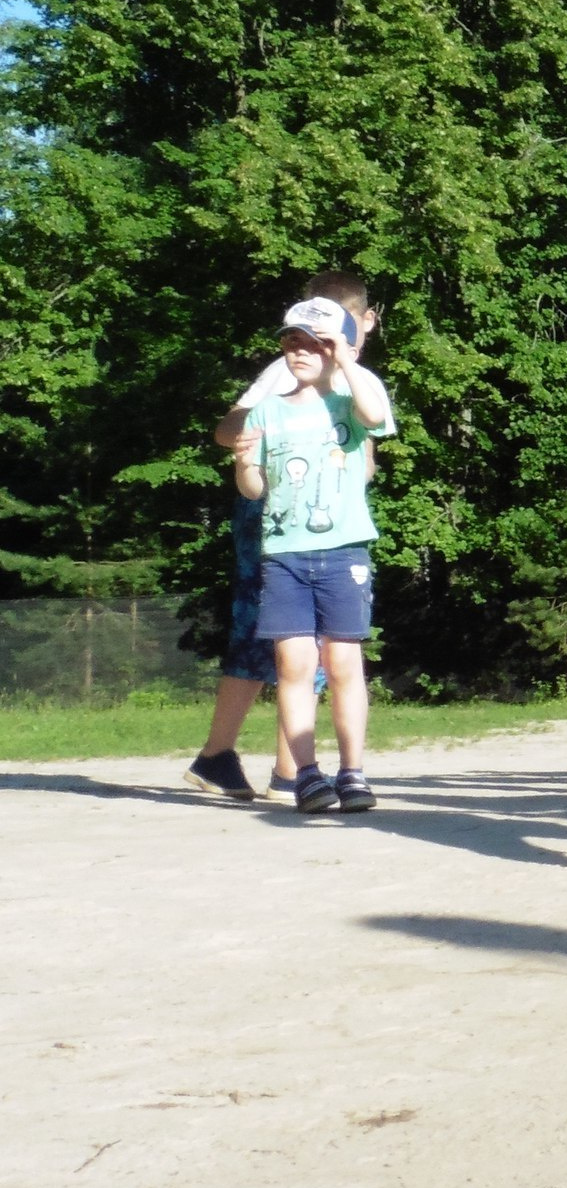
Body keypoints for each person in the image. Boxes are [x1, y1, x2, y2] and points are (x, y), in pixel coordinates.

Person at [186, 272, 392, 801]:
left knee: (312, 648)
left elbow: (368, 436)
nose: (307, 346)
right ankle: (276, 767)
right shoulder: (285, 372)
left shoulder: (354, 378)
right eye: (298, 334)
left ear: (363, 323)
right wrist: (249, 446)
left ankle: (257, 763)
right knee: (283, 644)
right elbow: (230, 429)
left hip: (333, 523)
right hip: (276, 520)